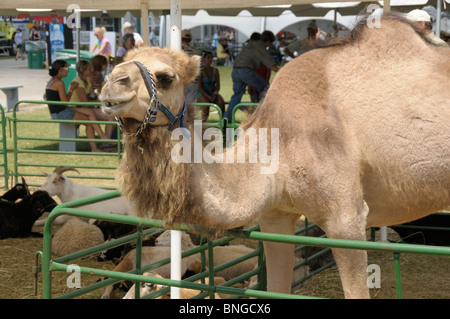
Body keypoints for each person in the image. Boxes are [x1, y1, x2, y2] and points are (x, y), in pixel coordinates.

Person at [45, 60, 108, 153]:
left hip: (58, 111)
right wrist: (71, 89)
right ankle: (97, 145)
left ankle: (102, 138)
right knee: (90, 122)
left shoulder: (52, 81)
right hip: (61, 113)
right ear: (61, 70)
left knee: (90, 113)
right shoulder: (59, 83)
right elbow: (65, 102)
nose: (68, 71)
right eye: (67, 68)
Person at [223, 30, 279, 122]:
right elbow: (272, 66)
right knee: (265, 88)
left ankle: (226, 118)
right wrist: (283, 72)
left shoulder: (251, 43)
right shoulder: (261, 48)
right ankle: (264, 115)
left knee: (236, 96)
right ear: (268, 42)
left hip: (235, 71)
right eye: (270, 43)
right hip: (246, 71)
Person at [70, 60, 113, 147]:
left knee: (111, 116)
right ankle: (103, 138)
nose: (91, 71)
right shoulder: (78, 82)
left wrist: (102, 96)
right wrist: (101, 101)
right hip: (76, 108)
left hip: (85, 108)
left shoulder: (86, 80)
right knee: (91, 114)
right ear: (84, 71)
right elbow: (85, 103)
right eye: (89, 69)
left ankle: (105, 142)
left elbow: (92, 95)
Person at [197, 51, 225, 122]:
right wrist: (208, 97)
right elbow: (199, 87)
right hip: (202, 93)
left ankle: (222, 122)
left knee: (221, 102)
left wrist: (214, 94)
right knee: (206, 105)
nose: (210, 59)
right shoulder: (201, 71)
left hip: (212, 93)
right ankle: (202, 123)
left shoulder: (216, 71)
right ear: (204, 59)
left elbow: (218, 86)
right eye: (208, 57)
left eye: (211, 57)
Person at [181, 29, 201, 111]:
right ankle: (194, 123)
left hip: (180, 81)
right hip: (193, 81)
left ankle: (183, 123)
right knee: (192, 107)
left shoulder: (175, 50)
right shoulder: (196, 52)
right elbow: (200, 70)